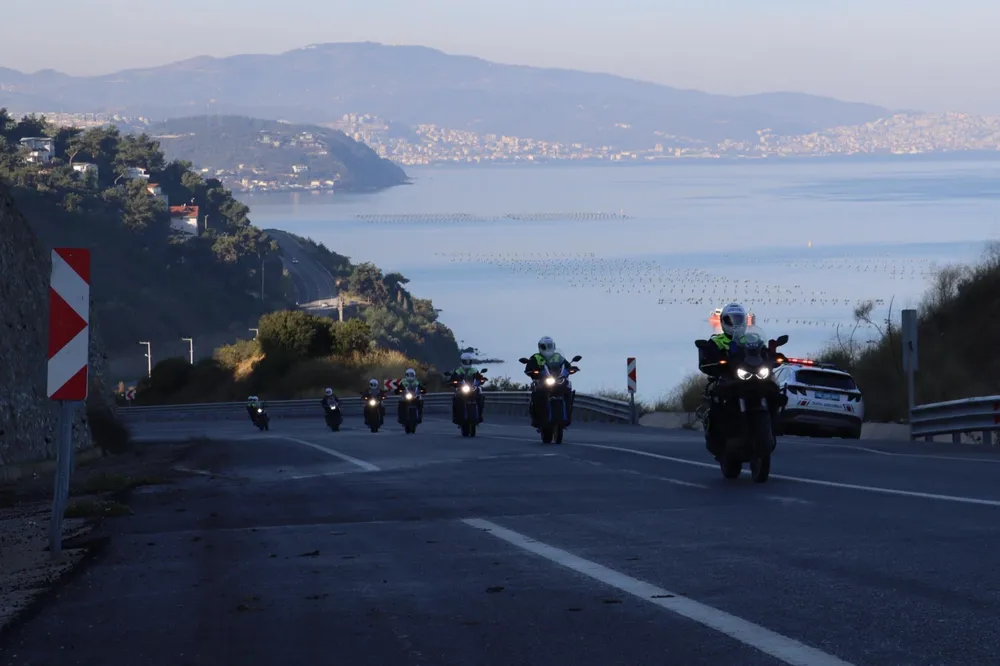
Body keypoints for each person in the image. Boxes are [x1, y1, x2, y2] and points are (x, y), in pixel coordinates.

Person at [697, 302, 748, 455]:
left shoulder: (751, 339)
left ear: (744, 320)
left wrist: (772, 355)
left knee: (774, 391)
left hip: (750, 377)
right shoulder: (716, 341)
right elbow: (708, 357)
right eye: (731, 320)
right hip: (726, 378)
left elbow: (762, 352)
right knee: (717, 400)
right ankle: (716, 435)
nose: (735, 323)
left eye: (738, 319)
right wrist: (713, 360)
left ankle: (772, 424)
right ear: (723, 321)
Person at [522, 336, 574, 428]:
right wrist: (533, 371)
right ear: (540, 347)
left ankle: (567, 416)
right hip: (542, 383)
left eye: (550, 345)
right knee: (537, 394)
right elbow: (528, 368)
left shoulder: (557, 356)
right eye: (545, 346)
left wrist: (571, 368)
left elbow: (566, 365)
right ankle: (537, 418)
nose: (548, 348)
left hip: (558, 380)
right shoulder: (536, 357)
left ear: (553, 346)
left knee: (568, 389)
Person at [448, 352, 486, 423]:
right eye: (465, 361)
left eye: (469, 361)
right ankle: (455, 417)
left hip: (472, 388)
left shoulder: (474, 370)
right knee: (456, 399)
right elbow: (452, 379)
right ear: (462, 361)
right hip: (462, 389)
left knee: (481, 397)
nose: (467, 363)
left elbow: (480, 377)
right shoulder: (458, 371)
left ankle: (480, 415)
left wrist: (482, 379)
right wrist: (454, 381)